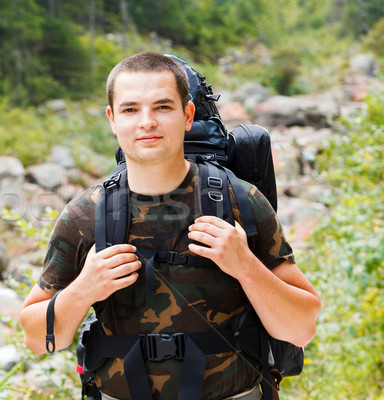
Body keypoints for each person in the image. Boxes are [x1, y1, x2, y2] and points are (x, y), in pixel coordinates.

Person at [19, 52, 321, 400]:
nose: (147, 122)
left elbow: (301, 329)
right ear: (112, 120)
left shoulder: (240, 201)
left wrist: (246, 267)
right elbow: (35, 339)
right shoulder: (86, 215)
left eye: (162, 107)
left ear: (187, 114)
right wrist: (83, 290)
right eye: (131, 109)